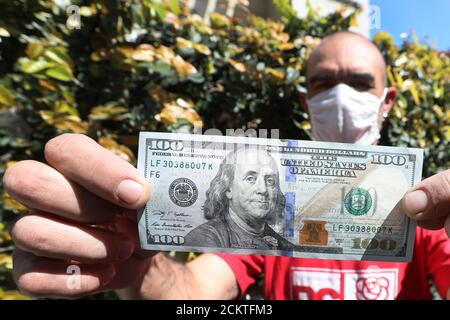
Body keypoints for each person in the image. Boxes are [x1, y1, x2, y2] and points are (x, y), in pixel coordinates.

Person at [4, 31, 449, 300]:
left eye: (357, 83)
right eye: (324, 83)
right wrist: (136, 267)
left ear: (386, 100)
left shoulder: (425, 213)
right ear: (306, 101)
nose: (340, 96)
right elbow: (194, 294)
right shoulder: (265, 203)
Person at [184, 147, 294, 251]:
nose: (263, 189)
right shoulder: (204, 238)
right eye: (250, 178)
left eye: (270, 181)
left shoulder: (286, 247)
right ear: (228, 189)